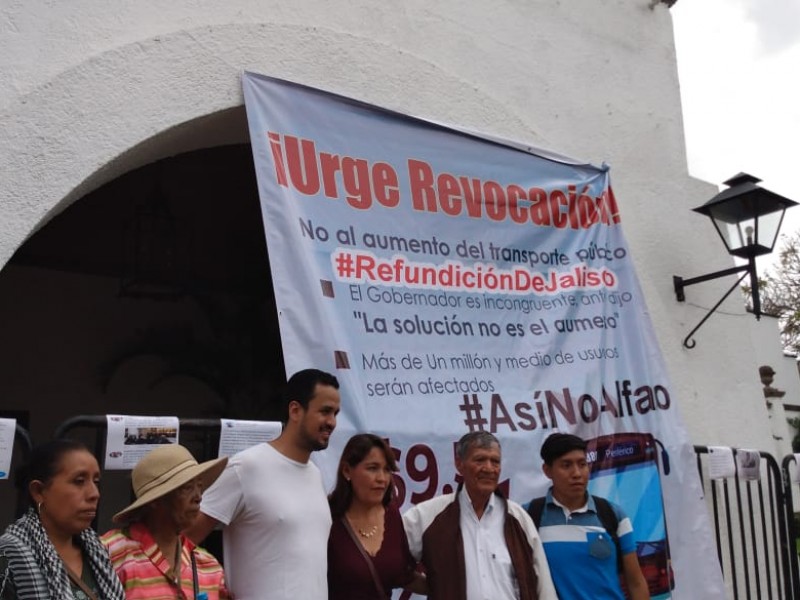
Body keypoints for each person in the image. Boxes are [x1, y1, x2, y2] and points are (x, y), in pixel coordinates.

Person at [186, 368, 341, 600]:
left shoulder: (316, 475)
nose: (332, 422)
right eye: (325, 411)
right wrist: (209, 588)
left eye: (336, 413)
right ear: (295, 410)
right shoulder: (245, 467)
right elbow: (184, 539)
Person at [402, 431, 557, 600]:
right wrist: (435, 588)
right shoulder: (427, 516)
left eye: (495, 461)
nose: (489, 468)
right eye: (480, 460)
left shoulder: (517, 518)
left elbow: (543, 584)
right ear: (459, 464)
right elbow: (392, 565)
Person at [528, 433, 650, 600]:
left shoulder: (613, 515)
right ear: (547, 470)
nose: (577, 473)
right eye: (566, 465)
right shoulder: (529, 516)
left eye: (582, 464)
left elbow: (636, 582)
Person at [0, 439, 125, 600]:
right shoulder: (8, 558)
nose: (94, 494)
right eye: (79, 481)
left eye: (96, 482)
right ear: (39, 491)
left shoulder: (98, 554)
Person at [101, 444, 230, 599]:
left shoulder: (208, 567)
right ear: (155, 501)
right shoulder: (112, 554)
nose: (198, 497)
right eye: (187, 488)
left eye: (200, 487)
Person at [327, 433, 426, 599]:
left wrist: (451, 585)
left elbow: (403, 576)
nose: (382, 478)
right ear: (347, 471)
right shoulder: (326, 518)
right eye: (372, 468)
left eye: (387, 470)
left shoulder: (392, 515)